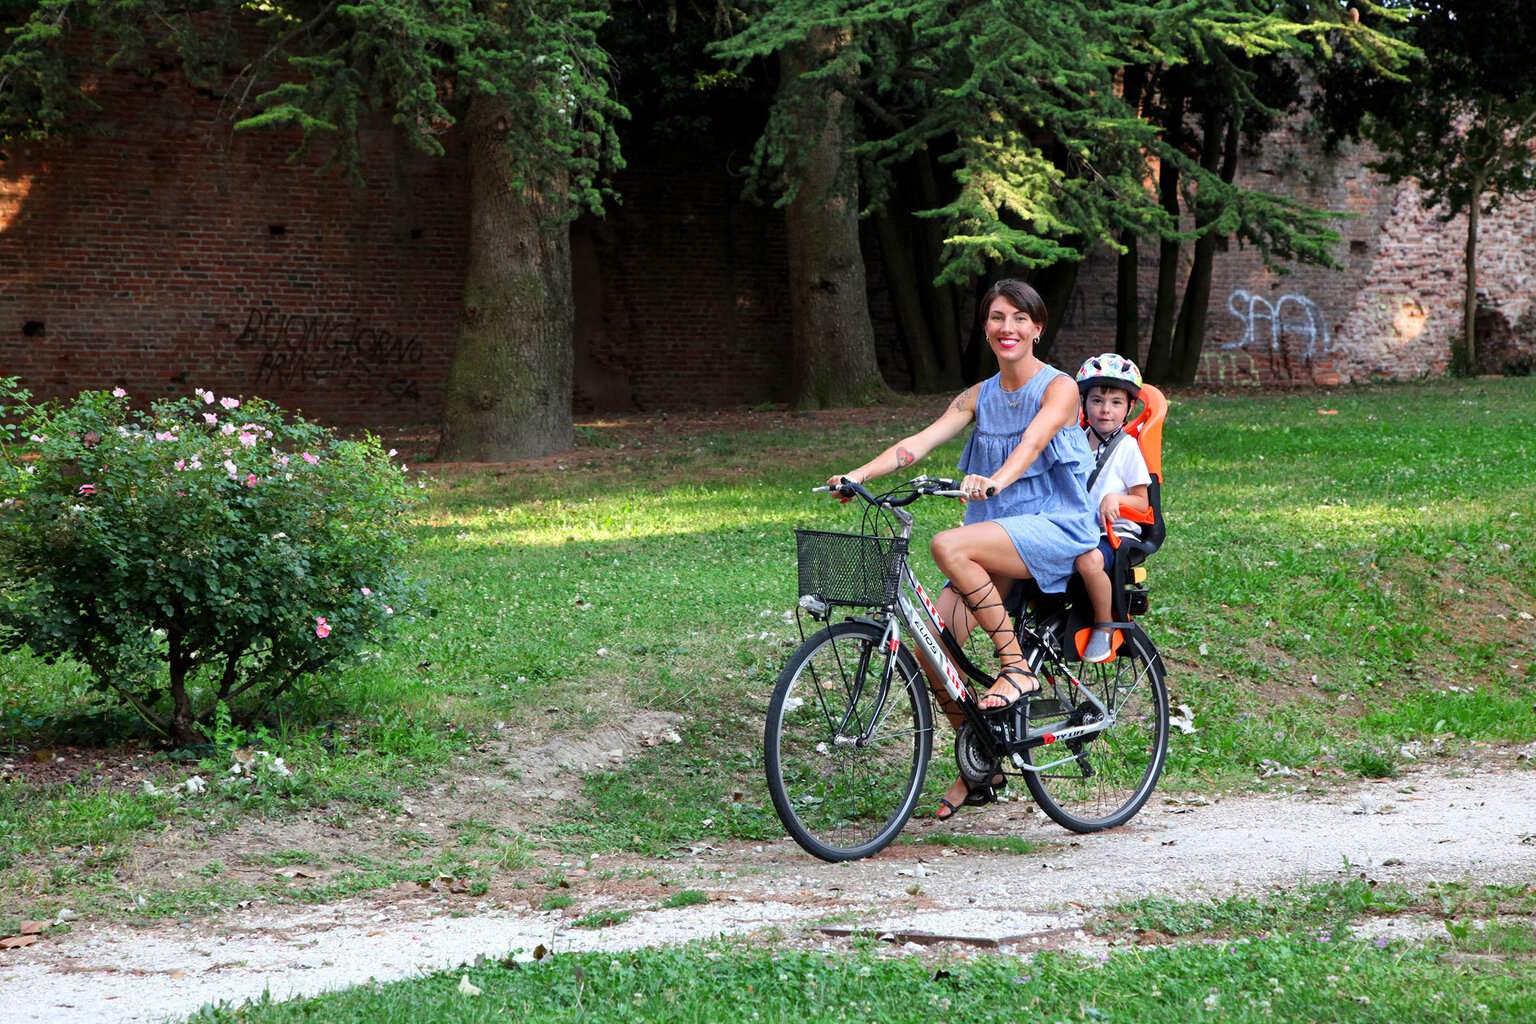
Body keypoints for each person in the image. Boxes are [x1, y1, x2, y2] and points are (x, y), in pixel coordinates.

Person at [827, 279, 1099, 821]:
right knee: (932, 652)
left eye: (1020, 319)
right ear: (986, 328)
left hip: (1053, 524)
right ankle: (984, 762)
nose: (1007, 328)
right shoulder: (977, 395)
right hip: (995, 536)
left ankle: (1016, 668)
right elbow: (920, 443)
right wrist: (856, 474)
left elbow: (1033, 442)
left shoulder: (1060, 387)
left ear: (1037, 328)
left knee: (946, 542)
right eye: (997, 318)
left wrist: (996, 480)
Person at [1072, 354, 1152, 663]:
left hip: (1111, 535)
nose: (1106, 410)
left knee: (1088, 561)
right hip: (1076, 528)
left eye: (1116, 402)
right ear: (1084, 403)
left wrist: (1116, 499)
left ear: (1129, 408)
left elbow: (1142, 502)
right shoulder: (1076, 441)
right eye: (1097, 400)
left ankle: (1104, 624)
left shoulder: (1128, 448)